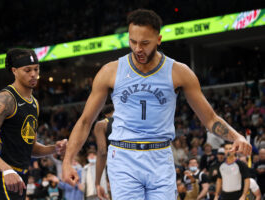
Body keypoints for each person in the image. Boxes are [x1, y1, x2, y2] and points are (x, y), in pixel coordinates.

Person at [62, 9, 252, 200]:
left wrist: (236, 137)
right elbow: (86, 120)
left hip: (160, 157)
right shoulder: (110, 71)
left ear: (159, 39)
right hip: (123, 158)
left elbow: (210, 119)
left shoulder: (179, 72)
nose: (138, 49)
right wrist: (68, 161)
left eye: (145, 43)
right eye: (133, 42)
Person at [0, 48, 67, 200]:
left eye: (36, 69)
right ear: (14, 71)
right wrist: (6, 170)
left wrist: (54, 148)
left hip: (19, 177)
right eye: (27, 70)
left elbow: (30, 147)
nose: (33, 74)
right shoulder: (5, 99)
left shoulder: (34, 104)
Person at [93, 104, 114, 200]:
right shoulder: (134, 119)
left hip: (120, 169)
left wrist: (97, 183)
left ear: (106, 115)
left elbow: (102, 152)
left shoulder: (102, 124)